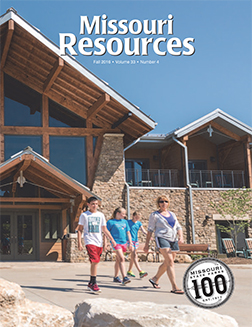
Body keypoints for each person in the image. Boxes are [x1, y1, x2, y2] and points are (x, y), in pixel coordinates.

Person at [144, 195, 184, 294]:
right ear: (158, 203)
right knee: (170, 261)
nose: (164, 203)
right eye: (161, 201)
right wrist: (146, 244)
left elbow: (178, 226)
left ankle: (155, 278)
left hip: (173, 239)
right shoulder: (155, 215)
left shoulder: (173, 214)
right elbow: (150, 230)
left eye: (166, 201)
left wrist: (181, 237)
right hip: (162, 238)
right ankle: (175, 287)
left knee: (168, 262)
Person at [77, 196, 116, 294]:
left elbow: (104, 229)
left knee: (95, 263)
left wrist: (111, 240)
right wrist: (79, 242)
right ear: (88, 205)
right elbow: (80, 229)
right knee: (95, 261)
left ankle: (90, 282)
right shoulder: (84, 215)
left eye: (96, 204)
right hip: (89, 241)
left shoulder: (101, 215)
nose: (95, 206)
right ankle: (94, 283)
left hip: (98, 242)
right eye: (93, 204)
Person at [106, 207, 133, 285]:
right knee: (122, 258)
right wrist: (105, 243)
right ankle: (124, 277)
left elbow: (128, 232)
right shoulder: (110, 222)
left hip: (124, 242)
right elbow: (106, 233)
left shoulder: (125, 222)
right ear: (118, 213)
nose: (124, 215)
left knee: (118, 260)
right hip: (115, 242)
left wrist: (130, 243)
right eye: (123, 214)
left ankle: (116, 277)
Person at [126, 211, 148, 279]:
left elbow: (143, 230)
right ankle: (140, 271)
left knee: (133, 256)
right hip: (129, 240)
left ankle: (129, 271)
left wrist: (148, 235)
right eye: (136, 217)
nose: (137, 219)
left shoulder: (139, 223)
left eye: (138, 218)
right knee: (134, 255)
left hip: (136, 241)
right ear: (133, 216)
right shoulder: (128, 222)